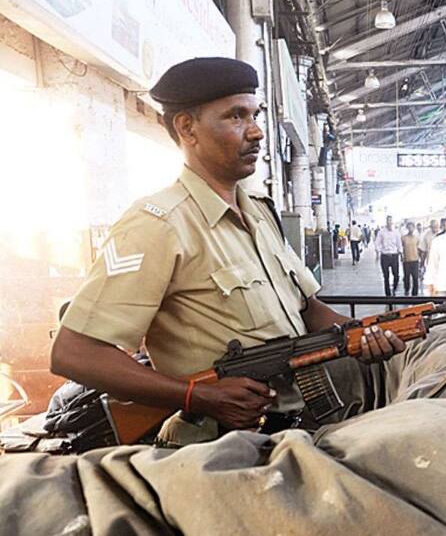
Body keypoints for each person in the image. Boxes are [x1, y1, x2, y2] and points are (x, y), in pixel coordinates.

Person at [50, 57, 405, 447]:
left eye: (255, 115)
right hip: (216, 449)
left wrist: (362, 333)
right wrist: (197, 396)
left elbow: (307, 308)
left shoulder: (261, 213)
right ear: (187, 128)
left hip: (295, 429)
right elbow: (75, 352)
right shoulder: (158, 224)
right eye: (236, 117)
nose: (255, 132)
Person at [375, 215, 403, 296]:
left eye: (390, 221)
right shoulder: (381, 232)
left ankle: (394, 289)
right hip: (385, 256)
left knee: (396, 275)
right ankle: (387, 294)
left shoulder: (396, 232)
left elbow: (399, 244)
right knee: (386, 276)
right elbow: (377, 243)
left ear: (392, 222)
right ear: (386, 222)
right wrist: (379, 251)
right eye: (388, 221)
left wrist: (401, 254)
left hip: (394, 256)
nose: (389, 222)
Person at [401, 222, 420, 296]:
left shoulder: (416, 238)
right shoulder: (403, 238)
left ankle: (415, 294)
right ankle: (406, 289)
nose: (410, 229)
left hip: (415, 260)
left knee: (415, 277)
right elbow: (401, 248)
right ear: (407, 228)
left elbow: (418, 248)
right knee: (406, 277)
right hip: (407, 260)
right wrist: (402, 256)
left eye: (412, 227)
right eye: (409, 227)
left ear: (414, 228)